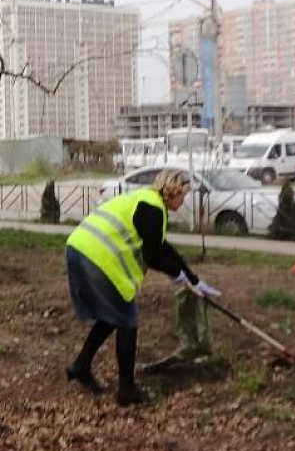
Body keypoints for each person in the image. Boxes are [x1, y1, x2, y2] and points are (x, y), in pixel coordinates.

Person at [63, 169, 221, 405]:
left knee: (111, 317)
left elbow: (161, 247)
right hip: (97, 258)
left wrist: (192, 277)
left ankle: (81, 366)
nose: (184, 200)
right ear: (174, 192)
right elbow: (153, 256)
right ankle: (126, 391)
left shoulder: (147, 200)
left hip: (79, 248)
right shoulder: (153, 209)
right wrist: (178, 275)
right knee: (127, 320)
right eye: (184, 195)